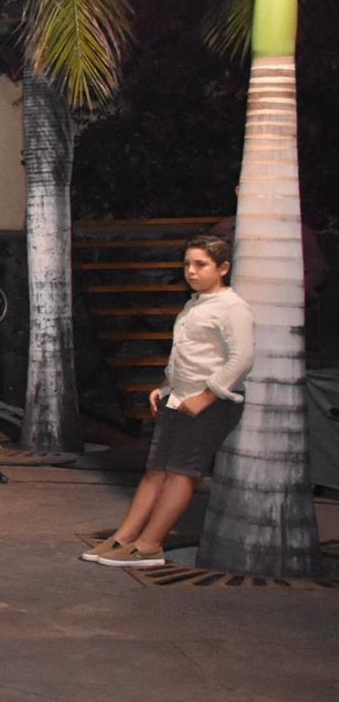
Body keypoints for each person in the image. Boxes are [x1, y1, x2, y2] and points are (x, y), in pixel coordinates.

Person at [84, 234, 255, 568]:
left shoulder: (233, 307)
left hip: (209, 403)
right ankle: (124, 538)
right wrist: (164, 386)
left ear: (223, 268)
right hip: (177, 397)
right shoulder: (196, 303)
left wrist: (207, 396)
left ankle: (149, 546)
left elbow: (242, 358)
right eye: (187, 264)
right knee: (156, 470)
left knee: (181, 473)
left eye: (200, 265)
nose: (191, 271)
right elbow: (188, 354)